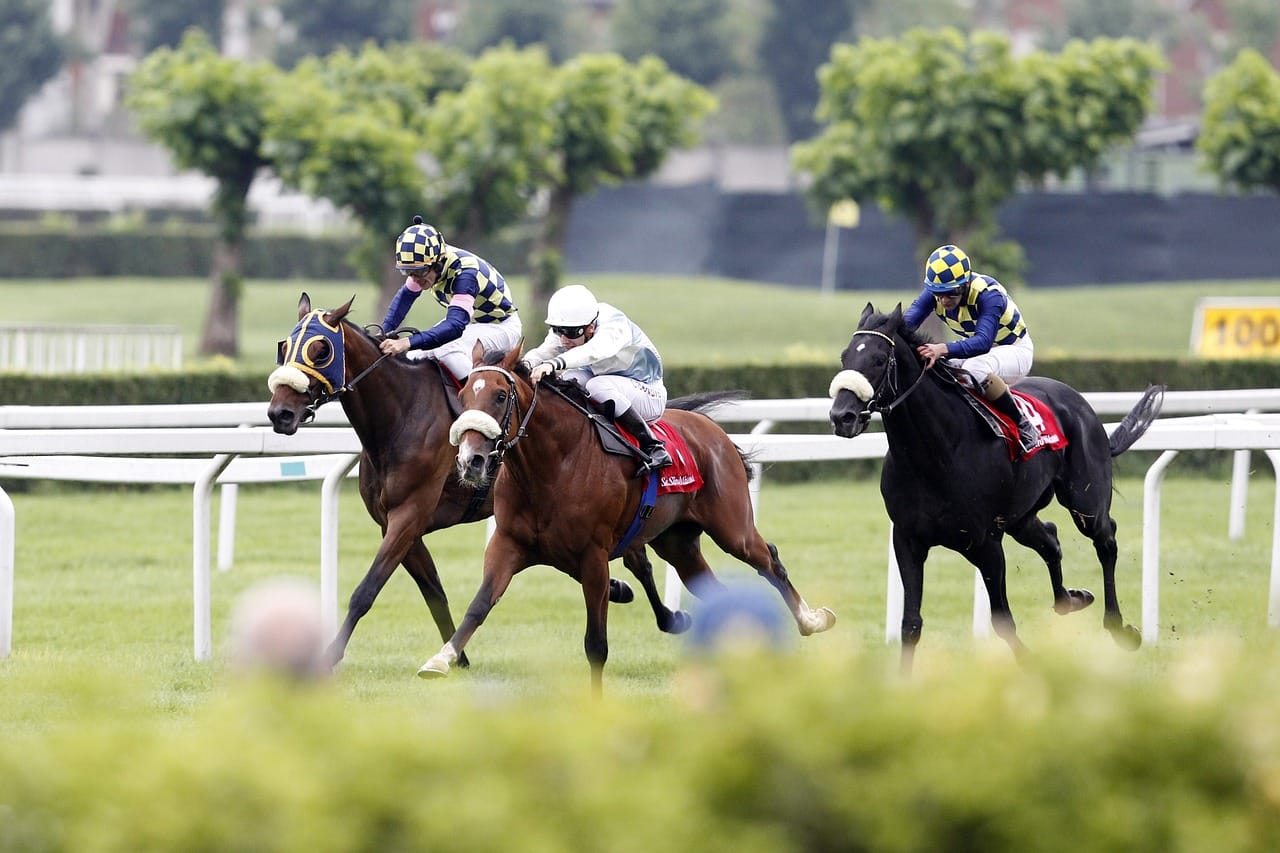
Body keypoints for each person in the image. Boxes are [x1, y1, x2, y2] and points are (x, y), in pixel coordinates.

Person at [522, 284, 673, 473]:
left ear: (590, 328)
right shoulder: (573, 325)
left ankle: (653, 446)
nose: (563, 339)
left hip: (648, 393)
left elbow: (591, 353)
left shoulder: (614, 326)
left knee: (596, 385)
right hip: (612, 381)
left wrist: (553, 364)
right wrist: (522, 366)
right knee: (569, 379)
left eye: (570, 333)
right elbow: (544, 351)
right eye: (557, 330)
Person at [903, 244, 1038, 451]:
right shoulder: (936, 292)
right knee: (936, 368)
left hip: (1015, 349)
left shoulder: (988, 295)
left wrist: (941, 348)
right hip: (980, 353)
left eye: (950, 293)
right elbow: (905, 326)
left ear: (965, 284)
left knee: (974, 369)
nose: (944, 300)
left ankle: (1023, 425)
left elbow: (983, 342)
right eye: (938, 294)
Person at [378, 216, 522, 381]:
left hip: (501, 327)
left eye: (418, 273)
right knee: (414, 356)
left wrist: (405, 342)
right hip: (472, 323)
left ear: (438, 263)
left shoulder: (466, 274)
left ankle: (479, 399)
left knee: (447, 349)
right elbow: (405, 298)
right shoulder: (426, 266)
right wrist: (382, 334)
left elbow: (455, 326)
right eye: (407, 272)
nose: (414, 279)